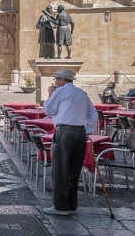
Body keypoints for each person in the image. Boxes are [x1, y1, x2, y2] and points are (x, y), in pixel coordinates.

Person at [42, 68, 98, 216]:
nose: (55, 82)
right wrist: (89, 129)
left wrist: (50, 95)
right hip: (80, 133)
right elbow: (93, 113)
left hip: (65, 133)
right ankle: (72, 205)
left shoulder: (60, 91)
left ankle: (61, 207)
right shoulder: (81, 93)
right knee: (74, 170)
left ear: (62, 80)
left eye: (56, 79)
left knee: (60, 169)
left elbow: (48, 110)